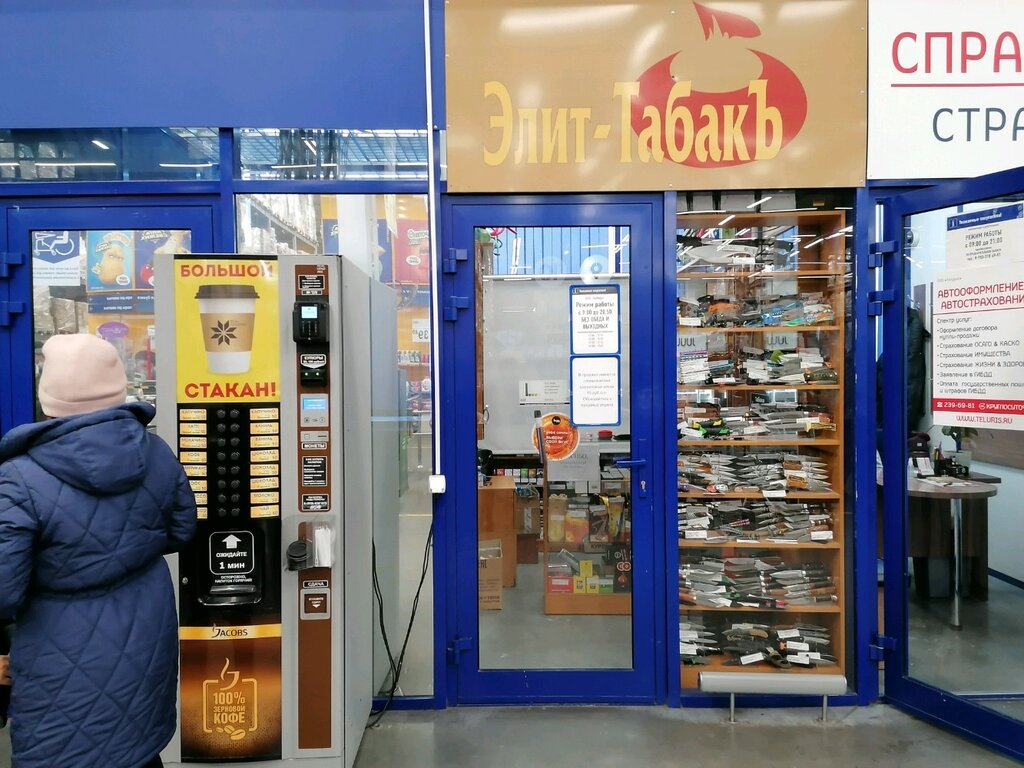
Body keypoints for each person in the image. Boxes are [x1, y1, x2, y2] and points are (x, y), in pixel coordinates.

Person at [0, 334, 197, 768]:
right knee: (139, 745)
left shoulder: (19, 478)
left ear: (48, 397)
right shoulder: (156, 452)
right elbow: (183, 531)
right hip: (147, 631)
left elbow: (4, 591)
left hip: (59, 650)